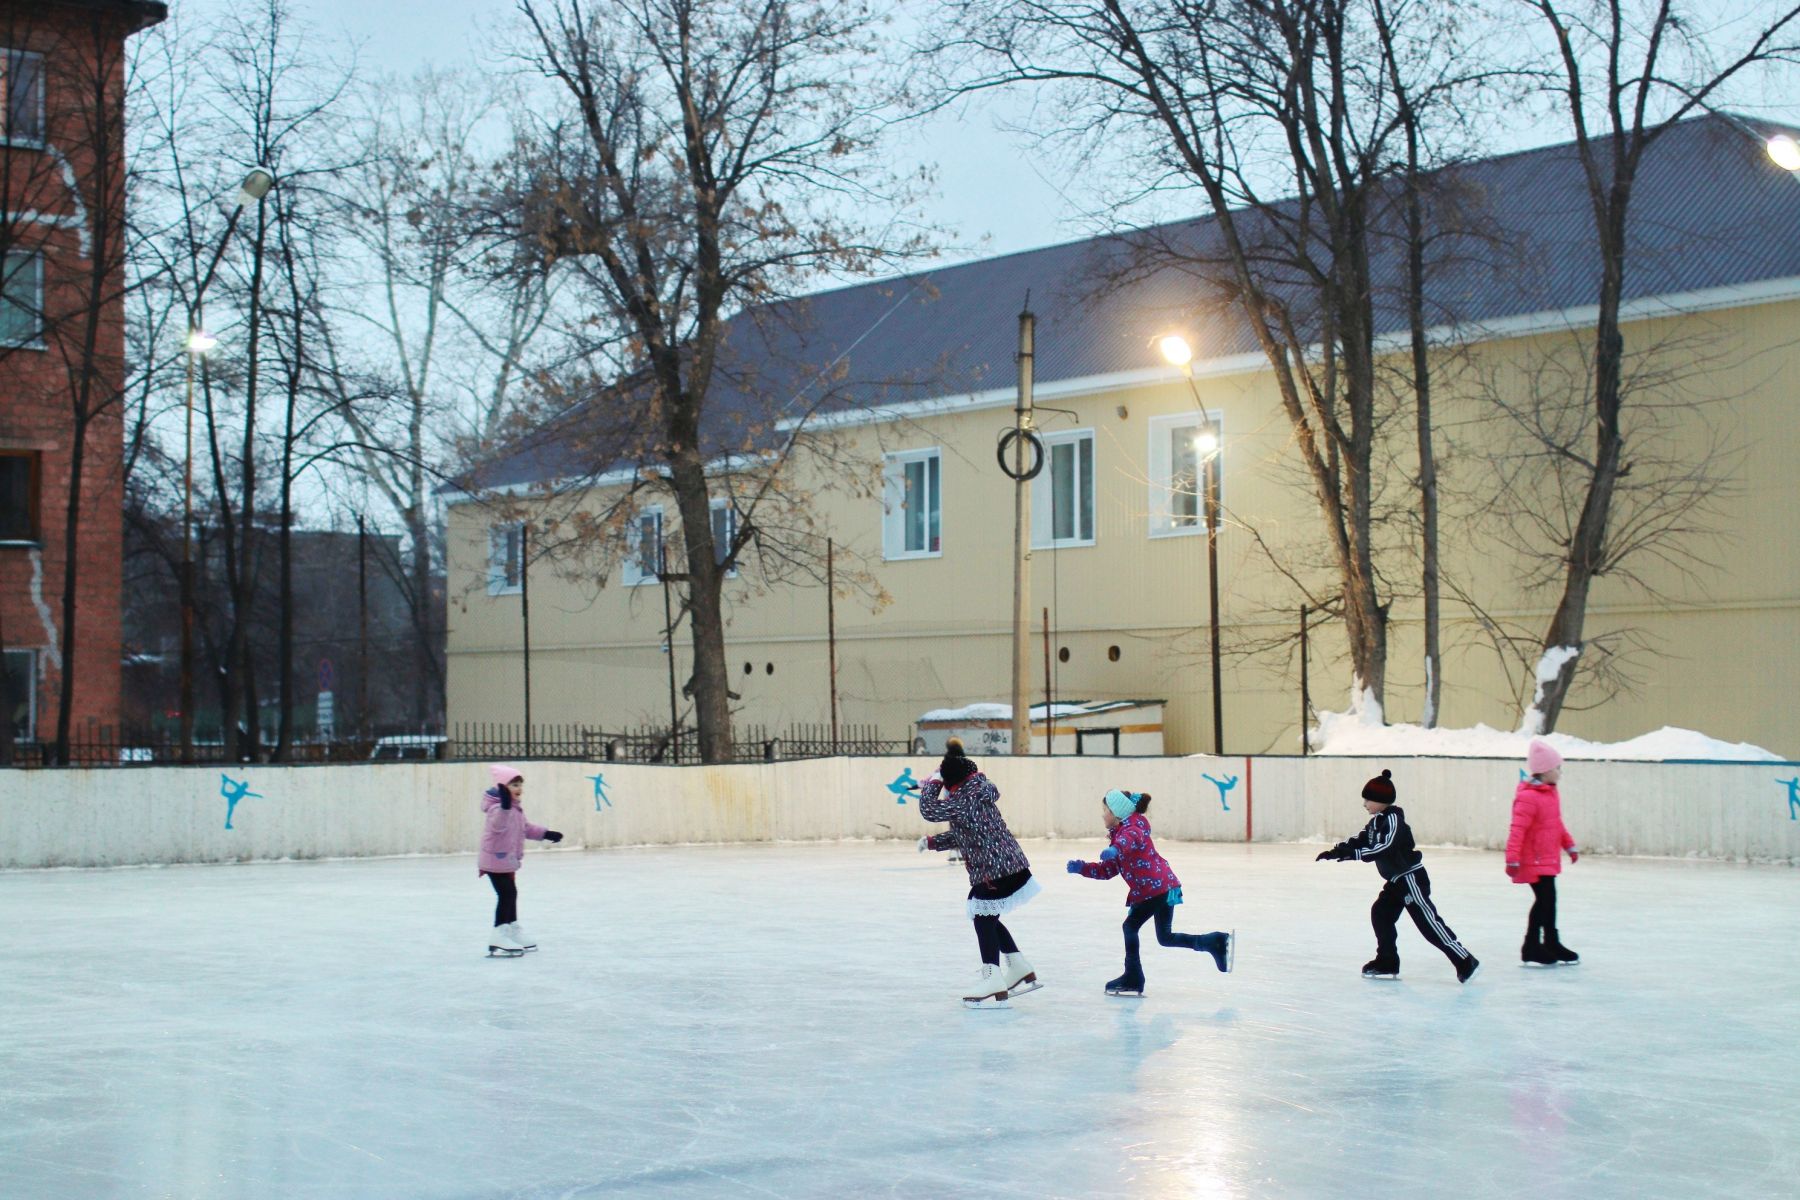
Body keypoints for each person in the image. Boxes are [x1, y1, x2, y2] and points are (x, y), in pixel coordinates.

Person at [1316, 768, 1480, 983]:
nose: (1364, 804)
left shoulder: (1394, 821)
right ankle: (1387, 961)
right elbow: (1362, 840)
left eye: (1368, 799)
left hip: (1410, 879)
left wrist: (1354, 855)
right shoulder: (1376, 822)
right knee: (1380, 914)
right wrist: (1338, 851)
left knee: (1427, 923)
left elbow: (1384, 848)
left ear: (1381, 800)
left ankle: (1464, 959)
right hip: (1396, 881)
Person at [1067, 789, 1232, 997]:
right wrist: (1082, 868)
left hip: (1155, 889)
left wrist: (1116, 849)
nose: (1103, 815)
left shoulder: (1133, 827)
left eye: (1105, 810)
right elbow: (1108, 870)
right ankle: (1214, 941)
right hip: (1162, 887)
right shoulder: (1120, 835)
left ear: (1117, 813)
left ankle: (1133, 976)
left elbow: (1130, 839)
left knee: (1130, 926)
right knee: (1165, 937)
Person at [917, 738, 1041, 1006]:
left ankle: (992, 977)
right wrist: (933, 842)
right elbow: (968, 834)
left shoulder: (964, 799)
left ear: (952, 783)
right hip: (1008, 866)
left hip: (997, 871)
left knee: (982, 916)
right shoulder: (976, 793)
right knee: (987, 915)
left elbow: (928, 809)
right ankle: (1017, 964)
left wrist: (934, 782)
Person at [1508, 740, 1580, 966]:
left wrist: (1568, 844)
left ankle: (1549, 942)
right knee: (1544, 900)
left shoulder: (1549, 793)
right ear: (1545, 770)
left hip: (1547, 858)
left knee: (1549, 900)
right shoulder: (1529, 796)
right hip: (1532, 859)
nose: (1560, 773)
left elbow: (1556, 824)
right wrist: (1512, 859)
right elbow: (1517, 829)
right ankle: (1531, 946)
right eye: (1557, 768)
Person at [479, 764, 563, 957]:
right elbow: (498, 825)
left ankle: (511, 929)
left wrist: (546, 833)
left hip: (506, 860)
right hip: (494, 860)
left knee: (511, 893)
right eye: (514, 784)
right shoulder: (497, 808)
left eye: (520, 785)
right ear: (503, 787)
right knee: (506, 894)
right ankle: (498, 935)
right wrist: (505, 807)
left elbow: (525, 828)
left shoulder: (515, 809)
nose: (519, 789)